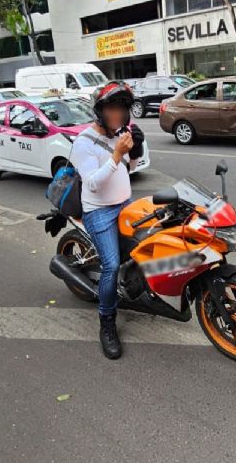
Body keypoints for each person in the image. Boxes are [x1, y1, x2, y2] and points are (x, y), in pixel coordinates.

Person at [72, 81, 144, 359]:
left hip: (125, 204)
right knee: (112, 266)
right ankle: (107, 322)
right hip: (98, 211)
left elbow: (130, 169)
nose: (118, 114)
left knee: (146, 244)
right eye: (112, 108)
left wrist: (134, 150)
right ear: (100, 110)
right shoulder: (83, 142)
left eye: (122, 109)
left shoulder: (120, 134)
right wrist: (116, 154)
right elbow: (92, 184)